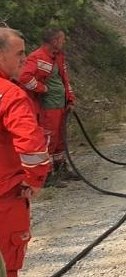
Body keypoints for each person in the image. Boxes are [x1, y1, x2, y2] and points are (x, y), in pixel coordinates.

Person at [0, 28, 53, 277]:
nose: (24, 59)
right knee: (5, 273)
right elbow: (32, 148)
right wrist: (35, 180)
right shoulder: (9, 95)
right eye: (19, 53)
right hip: (5, 202)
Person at [18, 29, 76, 184]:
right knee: (49, 140)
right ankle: (47, 176)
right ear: (55, 41)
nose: (64, 42)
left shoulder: (58, 57)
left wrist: (70, 99)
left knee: (60, 139)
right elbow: (24, 77)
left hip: (60, 105)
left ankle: (60, 168)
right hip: (47, 107)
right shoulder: (37, 57)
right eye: (62, 39)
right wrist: (41, 88)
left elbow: (64, 80)